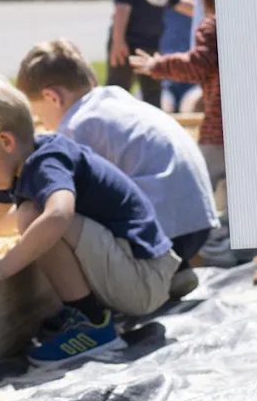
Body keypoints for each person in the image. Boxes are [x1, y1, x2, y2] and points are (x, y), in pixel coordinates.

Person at [0, 74, 180, 366]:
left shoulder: (47, 162)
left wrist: (4, 266)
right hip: (140, 272)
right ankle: (82, 311)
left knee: (32, 215)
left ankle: (92, 324)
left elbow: (58, 214)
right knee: (30, 214)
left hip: (142, 278)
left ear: (5, 141)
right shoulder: (20, 167)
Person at [131, 0, 257, 283]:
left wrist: (157, 65)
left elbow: (198, 63)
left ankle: (216, 251)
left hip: (220, 128)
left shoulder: (213, 25)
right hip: (255, 127)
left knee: (199, 185)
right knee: (248, 192)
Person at [17, 39, 216, 281]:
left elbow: (60, 198)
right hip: (198, 224)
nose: (43, 123)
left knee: (67, 214)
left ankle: (132, 285)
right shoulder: (115, 101)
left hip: (166, 235)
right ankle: (175, 271)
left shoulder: (75, 126)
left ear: (52, 97)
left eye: (39, 114)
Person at [156, 0, 199, 112]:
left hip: (194, 79)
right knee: (161, 107)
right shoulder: (155, 10)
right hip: (165, 79)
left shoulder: (202, 8)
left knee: (191, 107)